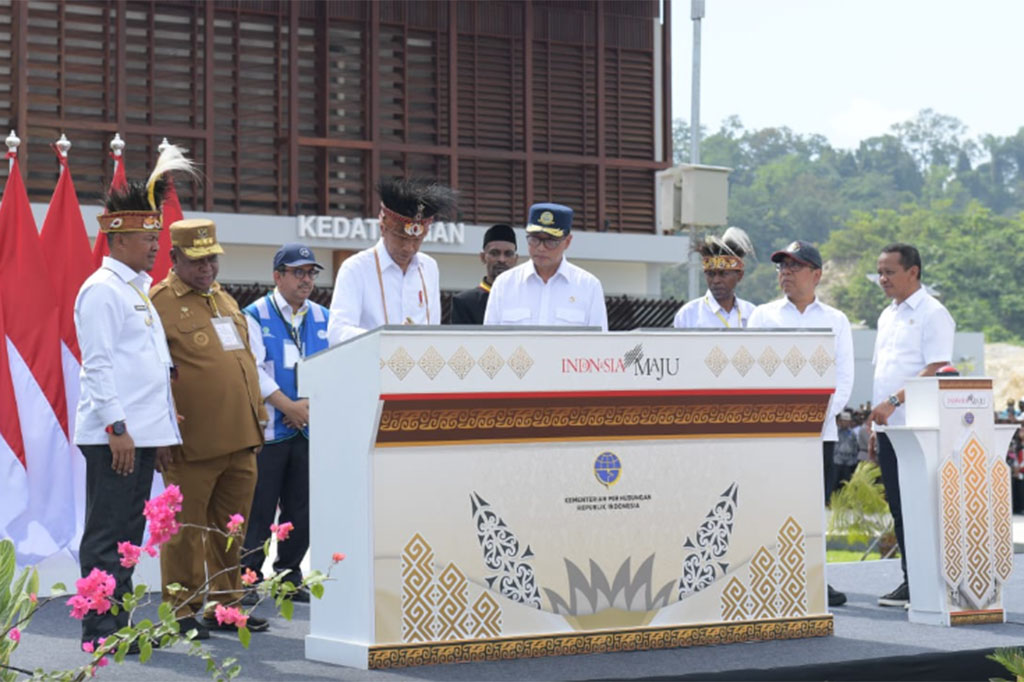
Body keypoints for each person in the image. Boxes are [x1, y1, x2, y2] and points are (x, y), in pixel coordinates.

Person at [73, 175, 182, 651]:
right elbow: (97, 365)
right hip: (115, 436)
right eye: (146, 238)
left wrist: (160, 433)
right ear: (117, 240)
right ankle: (98, 631)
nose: (156, 246)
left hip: (140, 435)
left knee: (128, 537)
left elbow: (152, 366)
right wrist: (116, 426)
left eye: (157, 237)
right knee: (107, 534)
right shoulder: (102, 290)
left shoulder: (136, 290)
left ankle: (117, 623)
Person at [150, 219, 269, 636]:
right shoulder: (159, 303)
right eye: (197, 261)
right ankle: (180, 610)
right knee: (184, 531)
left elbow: (244, 360)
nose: (207, 268)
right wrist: (160, 432)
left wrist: (257, 416)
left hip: (241, 436)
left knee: (231, 529)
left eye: (212, 259)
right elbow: (151, 373)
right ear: (174, 258)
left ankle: (225, 605)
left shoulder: (223, 298)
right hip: (192, 442)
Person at [747, 240, 854, 608]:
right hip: (773, 434)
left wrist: (816, 415)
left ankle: (813, 579)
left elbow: (844, 376)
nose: (786, 273)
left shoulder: (836, 320)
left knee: (812, 509)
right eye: (782, 267)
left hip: (819, 433)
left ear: (816, 274)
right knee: (773, 504)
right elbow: (751, 370)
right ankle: (771, 576)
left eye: (794, 266)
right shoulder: (763, 317)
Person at [240, 243, 329, 603]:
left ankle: (289, 575)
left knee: (301, 508)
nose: (306, 280)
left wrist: (308, 406)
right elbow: (253, 370)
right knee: (259, 508)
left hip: (309, 427)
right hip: (269, 430)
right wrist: (288, 406)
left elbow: (335, 365)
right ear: (277, 276)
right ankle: (247, 576)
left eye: (311, 273)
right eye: (298, 272)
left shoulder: (323, 316)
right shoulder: (255, 315)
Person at [867, 243, 955, 608]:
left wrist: (893, 401)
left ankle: (934, 582)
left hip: (920, 430)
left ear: (913, 272)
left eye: (889, 272)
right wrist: (875, 427)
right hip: (890, 430)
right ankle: (912, 580)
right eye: (880, 272)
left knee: (924, 507)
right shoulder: (887, 315)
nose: (882, 279)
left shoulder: (933, 313)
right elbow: (882, 373)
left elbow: (938, 368)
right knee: (900, 508)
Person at [327, 177, 457, 346]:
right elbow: (337, 332)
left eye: (416, 240)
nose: (408, 248)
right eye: (401, 238)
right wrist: (387, 339)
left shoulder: (429, 267)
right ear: (383, 228)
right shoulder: (355, 268)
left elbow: (433, 327)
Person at [483, 203, 608, 330]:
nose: (541, 248)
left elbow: (599, 340)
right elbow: (490, 338)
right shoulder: (504, 284)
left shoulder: (588, 286)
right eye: (534, 239)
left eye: (550, 241)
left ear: (567, 242)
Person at [673, 227, 756, 329]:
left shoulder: (752, 313)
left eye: (723, 274)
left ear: (739, 276)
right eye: (711, 274)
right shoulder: (688, 315)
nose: (716, 280)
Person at [450, 224, 519, 324]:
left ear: (516, 259)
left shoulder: (526, 298)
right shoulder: (465, 302)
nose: (502, 259)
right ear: (483, 257)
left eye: (508, 254)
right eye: (495, 253)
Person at [832, 410, 860, 493]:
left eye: (848, 421)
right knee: (834, 481)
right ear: (840, 421)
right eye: (844, 421)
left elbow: (855, 446)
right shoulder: (835, 432)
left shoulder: (852, 433)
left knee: (846, 482)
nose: (846, 423)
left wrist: (854, 459)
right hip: (837, 460)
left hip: (849, 461)